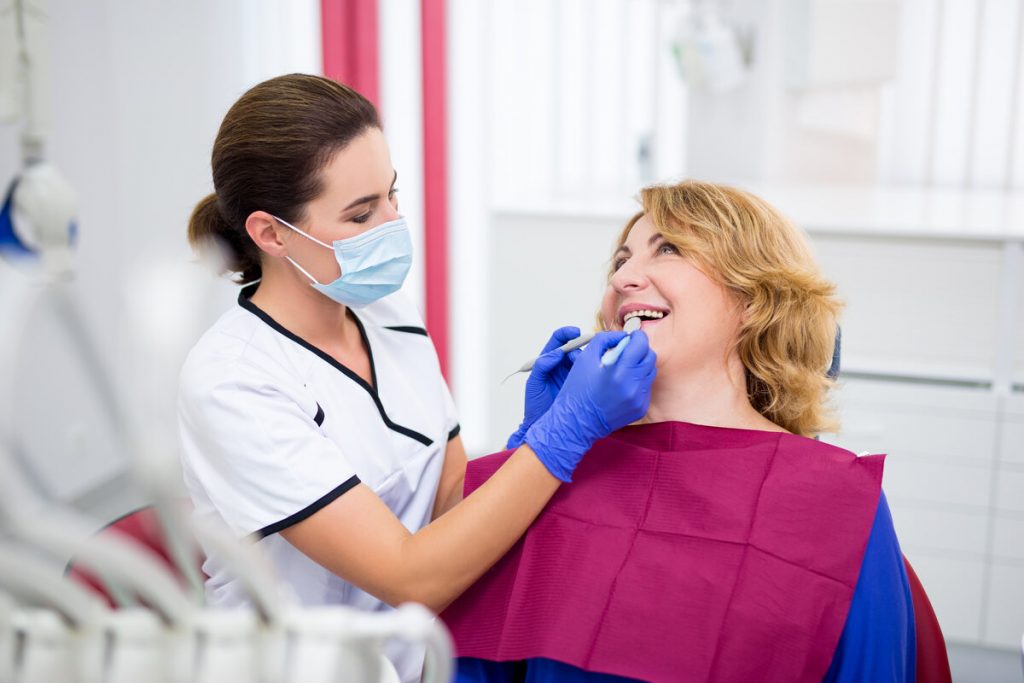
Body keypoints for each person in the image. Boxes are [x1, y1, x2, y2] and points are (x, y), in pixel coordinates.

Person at [176, 74, 657, 683]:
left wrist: (525, 440)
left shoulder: (389, 317)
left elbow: (447, 499)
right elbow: (409, 572)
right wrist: (563, 434)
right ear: (270, 234)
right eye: (360, 213)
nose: (393, 223)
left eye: (391, 195)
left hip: (413, 658)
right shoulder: (234, 383)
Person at [444, 181, 916, 683]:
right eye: (619, 261)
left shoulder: (835, 500)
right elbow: (463, 632)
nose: (625, 276)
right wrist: (532, 444)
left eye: (668, 249)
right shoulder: (552, 469)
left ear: (755, 298)